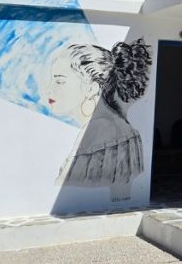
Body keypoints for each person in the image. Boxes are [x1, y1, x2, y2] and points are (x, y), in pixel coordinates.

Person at [53, 39, 152, 202]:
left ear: (91, 87)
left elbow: (66, 189)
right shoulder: (122, 127)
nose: (51, 90)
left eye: (60, 81)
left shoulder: (99, 128)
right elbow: (121, 194)